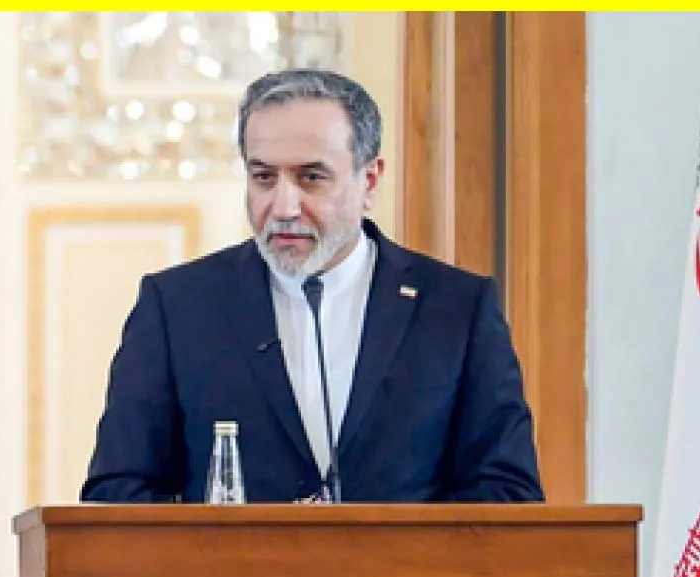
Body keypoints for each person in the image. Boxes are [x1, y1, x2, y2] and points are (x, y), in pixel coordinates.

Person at [80, 68, 542, 504]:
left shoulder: (457, 309)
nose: (284, 206)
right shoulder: (177, 308)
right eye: (264, 177)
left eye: (311, 178)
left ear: (369, 181)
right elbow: (117, 493)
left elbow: (507, 493)